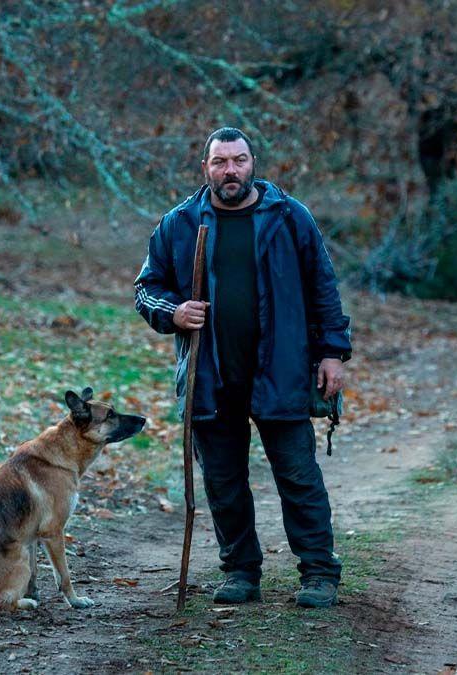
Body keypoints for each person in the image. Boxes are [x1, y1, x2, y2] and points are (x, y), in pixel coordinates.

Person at [133, 127, 352, 608]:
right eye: (220, 162)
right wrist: (173, 312)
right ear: (205, 167)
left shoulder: (289, 217)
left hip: (282, 372)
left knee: (298, 476)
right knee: (224, 481)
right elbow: (146, 288)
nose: (230, 170)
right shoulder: (181, 223)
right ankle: (240, 572)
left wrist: (332, 352)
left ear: (253, 163)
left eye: (238, 160)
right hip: (212, 378)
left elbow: (323, 288)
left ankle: (318, 572)